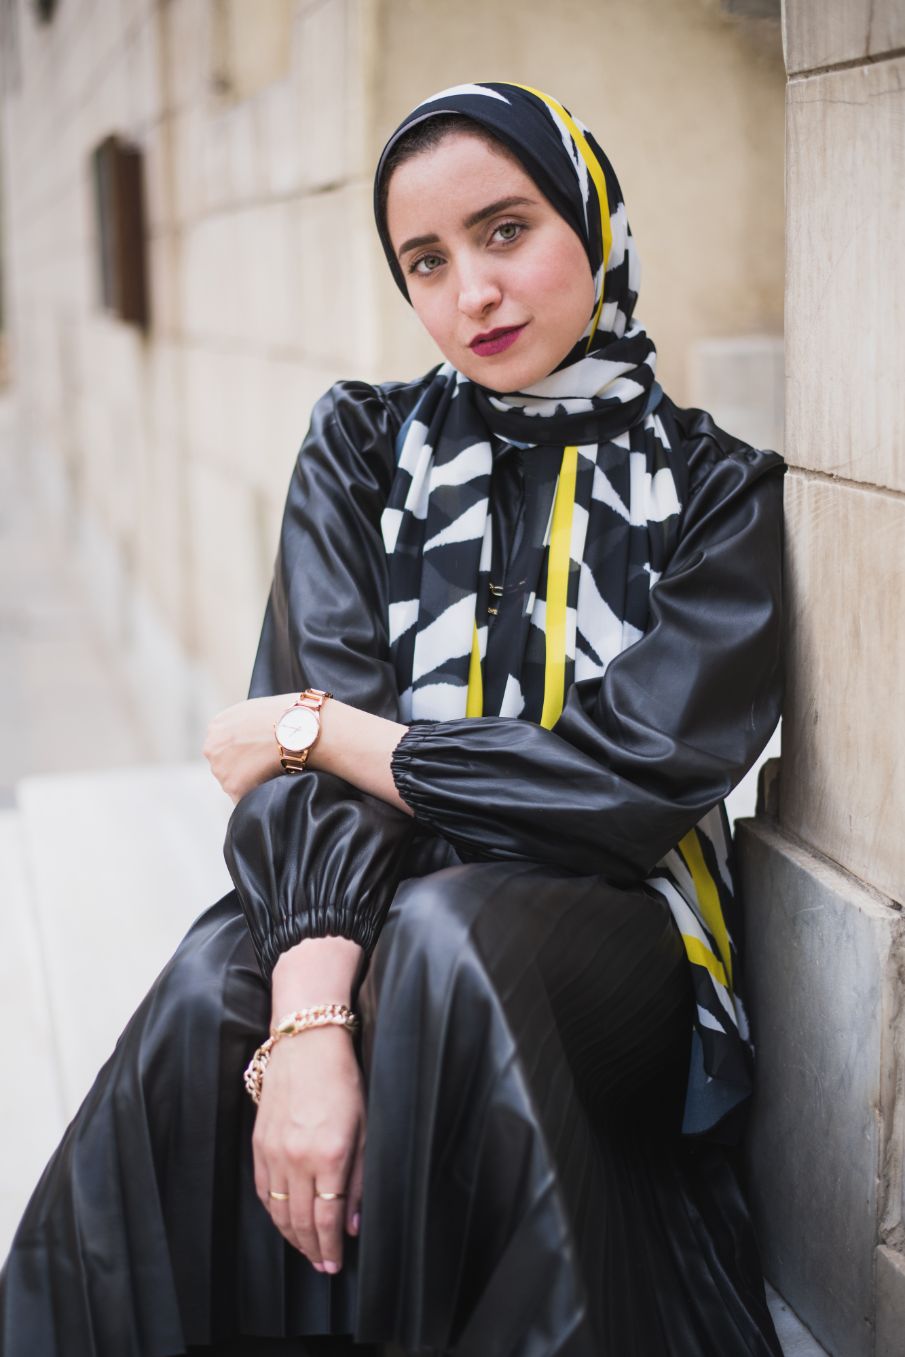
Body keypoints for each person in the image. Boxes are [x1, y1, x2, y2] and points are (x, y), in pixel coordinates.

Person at [0, 82, 787, 1356]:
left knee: (449, 941)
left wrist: (328, 730)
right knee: (214, 994)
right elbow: (311, 788)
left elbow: (619, 788)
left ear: (591, 222)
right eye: (426, 260)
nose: (472, 291)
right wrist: (308, 1024)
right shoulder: (363, 448)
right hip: (379, 889)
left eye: (505, 229)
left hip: (617, 943)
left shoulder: (715, 492)